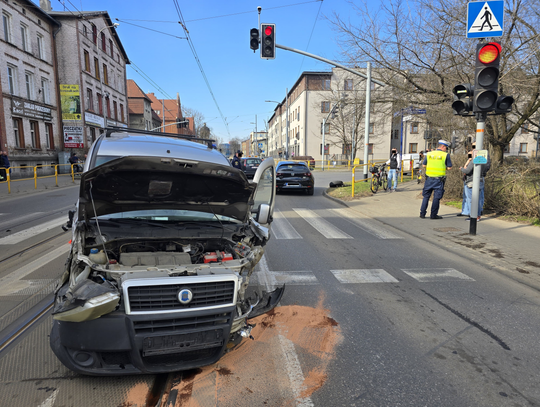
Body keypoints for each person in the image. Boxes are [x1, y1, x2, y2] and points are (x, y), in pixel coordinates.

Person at [420, 140, 453, 219]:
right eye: (446, 148)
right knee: (436, 198)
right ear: (442, 146)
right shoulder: (445, 155)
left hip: (429, 179)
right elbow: (449, 167)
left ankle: (422, 214)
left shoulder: (429, 154)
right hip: (439, 180)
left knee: (426, 196)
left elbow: (424, 165)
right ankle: (433, 215)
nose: (446, 150)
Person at [460, 143, 491, 221]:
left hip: (471, 180)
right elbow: (487, 167)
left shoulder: (475, 159)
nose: (473, 148)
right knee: (478, 198)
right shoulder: (484, 158)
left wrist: (462, 168)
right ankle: (477, 215)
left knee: (472, 199)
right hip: (480, 179)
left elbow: (466, 170)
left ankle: (473, 216)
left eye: (474, 147)